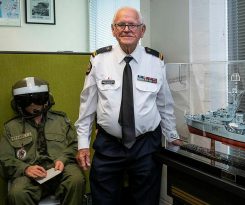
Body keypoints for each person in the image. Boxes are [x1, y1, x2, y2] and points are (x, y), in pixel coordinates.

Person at [75, 6, 181, 205]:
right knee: (104, 200)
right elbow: (87, 106)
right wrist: (82, 145)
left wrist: (172, 135)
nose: (126, 29)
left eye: (132, 25)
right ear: (113, 30)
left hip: (146, 145)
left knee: (146, 200)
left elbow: (165, 104)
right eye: (121, 24)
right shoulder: (99, 60)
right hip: (108, 145)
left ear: (142, 30)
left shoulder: (155, 61)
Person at [0, 77, 85, 205]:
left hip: (59, 170)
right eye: (27, 101)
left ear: (46, 99)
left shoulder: (61, 120)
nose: (33, 105)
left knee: (76, 179)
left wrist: (63, 159)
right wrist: (25, 168)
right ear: (19, 104)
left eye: (38, 99)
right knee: (17, 192)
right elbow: (5, 158)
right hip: (29, 175)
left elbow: (74, 145)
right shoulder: (11, 128)